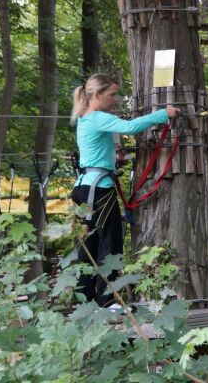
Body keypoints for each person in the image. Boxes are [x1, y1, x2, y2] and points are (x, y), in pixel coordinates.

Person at [70, 73, 179, 307]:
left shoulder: (85, 119)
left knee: (90, 244)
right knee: (111, 244)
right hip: (99, 189)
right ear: (97, 95)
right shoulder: (98, 117)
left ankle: (85, 298)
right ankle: (108, 301)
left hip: (85, 187)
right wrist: (163, 114)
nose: (115, 99)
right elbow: (130, 127)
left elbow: (97, 151)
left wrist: (113, 158)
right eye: (112, 94)